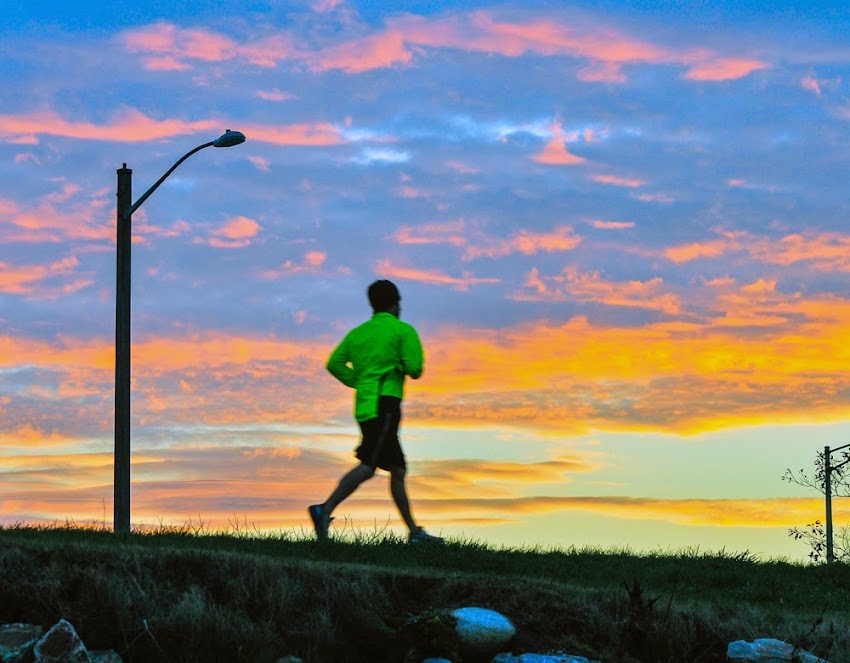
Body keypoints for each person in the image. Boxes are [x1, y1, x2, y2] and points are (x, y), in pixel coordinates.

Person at [308, 280, 443, 544]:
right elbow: (415, 369)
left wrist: (358, 380)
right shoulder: (402, 330)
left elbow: (334, 363)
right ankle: (324, 509)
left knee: (397, 468)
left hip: (365, 405)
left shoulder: (358, 333)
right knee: (370, 465)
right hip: (387, 404)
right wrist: (397, 366)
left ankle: (414, 532)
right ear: (395, 304)